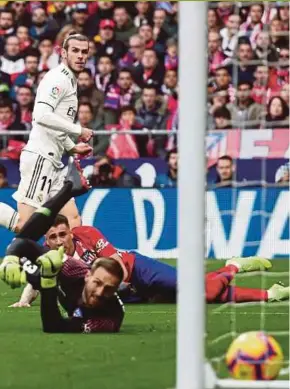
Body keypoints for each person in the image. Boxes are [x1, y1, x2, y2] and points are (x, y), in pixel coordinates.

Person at [6, 160, 289, 309]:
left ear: (70, 231)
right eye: (53, 237)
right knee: (203, 294)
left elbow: (115, 258)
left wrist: (117, 281)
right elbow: (40, 277)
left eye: (62, 234)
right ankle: (262, 286)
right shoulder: (50, 256)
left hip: (136, 272)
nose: (58, 241)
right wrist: (24, 299)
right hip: (121, 296)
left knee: (208, 291)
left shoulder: (87, 234)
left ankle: (238, 270)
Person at [0, 159, 125, 333]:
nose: (99, 292)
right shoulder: (72, 268)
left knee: (25, 241)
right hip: (60, 275)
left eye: (108, 289)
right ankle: (68, 189)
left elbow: (54, 326)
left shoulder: (107, 321)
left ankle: (68, 189)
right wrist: (12, 258)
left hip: (134, 276)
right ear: (87, 276)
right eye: (97, 283)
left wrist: (48, 283)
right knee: (22, 244)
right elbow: (23, 243)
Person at [0, 32, 93, 235]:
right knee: (24, 226)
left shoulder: (70, 81)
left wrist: (71, 146)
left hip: (54, 162)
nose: (80, 56)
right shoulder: (58, 78)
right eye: (75, 51)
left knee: (73, 220)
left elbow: (55, 125)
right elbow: (41, 115)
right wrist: (78, 130)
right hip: (40, 158)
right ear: (63, 53)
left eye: (84, 52)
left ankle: (75, 266)